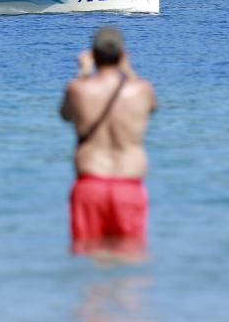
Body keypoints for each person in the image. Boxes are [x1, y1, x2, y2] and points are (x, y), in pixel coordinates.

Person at [60, 28, 157, 255]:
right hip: (128, 185)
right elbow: (152, 107)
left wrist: (84, 72)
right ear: (123, 55)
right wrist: (128, 70)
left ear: (92, 55)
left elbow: (66, 114)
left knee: (87, 262)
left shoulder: (78, 89)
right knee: (131, 262)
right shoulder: (141, 90)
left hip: (90, 184)